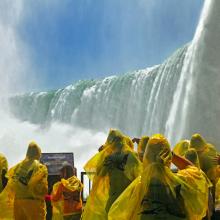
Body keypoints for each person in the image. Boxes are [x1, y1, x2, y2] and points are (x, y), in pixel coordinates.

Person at [109, 134, 210, 220]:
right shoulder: (180, 183)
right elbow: (194, 170)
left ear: (146, 158)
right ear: (168, 158)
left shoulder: (138, 187)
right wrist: (172, 154)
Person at [81, 129, 142, 220]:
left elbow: (99, 174)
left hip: (114, 201)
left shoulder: (109, 158)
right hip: (128, 201)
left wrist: (102, 154)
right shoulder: (133, 156)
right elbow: (140, 176)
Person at [9, 141, 48, 220]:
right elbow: (43, 189)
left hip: (18, 204)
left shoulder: (17, 167)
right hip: (34, 205)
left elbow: (11, 184)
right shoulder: (41, 167)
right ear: (38, 153)